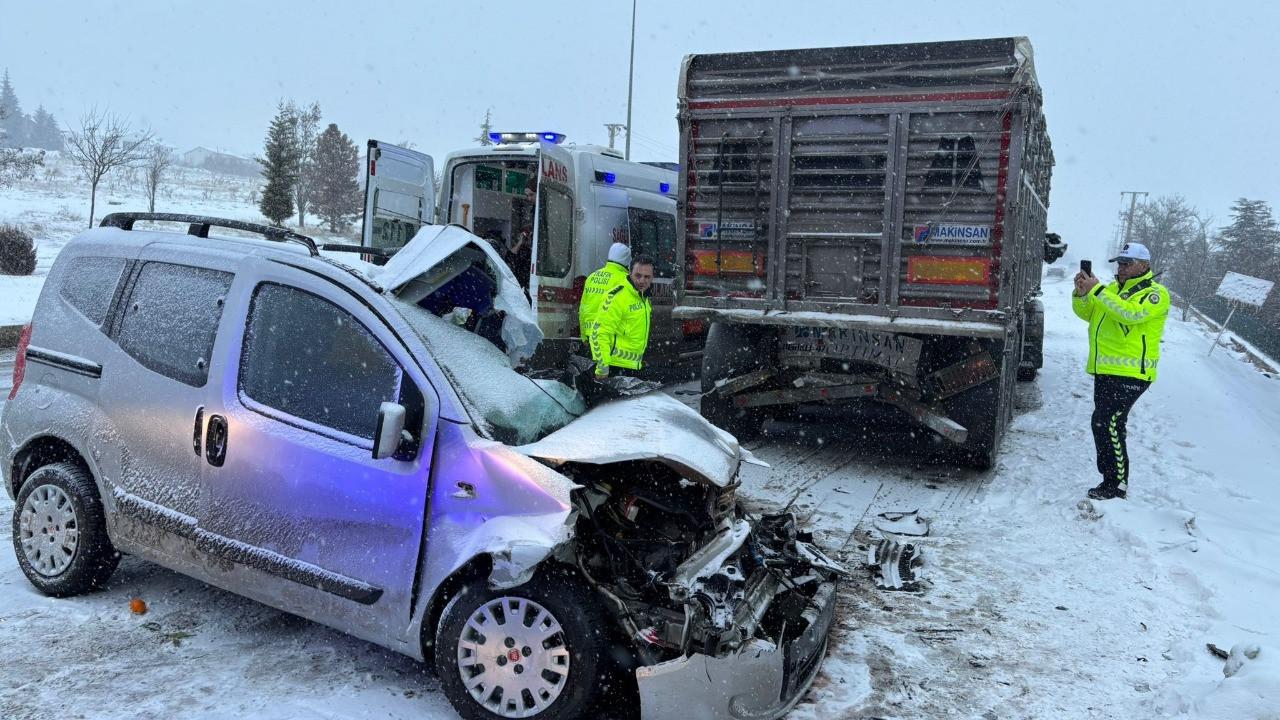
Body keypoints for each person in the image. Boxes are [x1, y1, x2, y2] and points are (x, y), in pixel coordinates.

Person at [1071, 242, 1170, 500]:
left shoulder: (1155, 293)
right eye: (1119, 262)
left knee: (1109, 422)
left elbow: (1129, 315)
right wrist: (1082, 294)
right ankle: (1111, 480)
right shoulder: (1113, 289)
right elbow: (1088, 314)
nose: (1121, 267)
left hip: (1132, 373)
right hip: (1106, 369)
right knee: (1102, 423)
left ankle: (1116, 485)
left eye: (1127, 263)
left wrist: (1099, 290)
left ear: (1144, 266)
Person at [591, 255, 654, 378]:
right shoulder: (616, 297)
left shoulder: (642, 297)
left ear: (652, 277)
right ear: (629, 272)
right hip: (615, 368)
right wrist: (602, 369)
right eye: (638, 275)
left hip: (633, 367)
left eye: (647, 277)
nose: (642, 281)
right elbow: (600, 332)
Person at [578, 242, 632, 356]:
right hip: (611, 337)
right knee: (610, 372)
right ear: (627, 261)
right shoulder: (625, 280)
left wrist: (584, 336)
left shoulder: (592, 277)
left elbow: (583, 309)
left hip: (591, 335)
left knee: (594, 370)